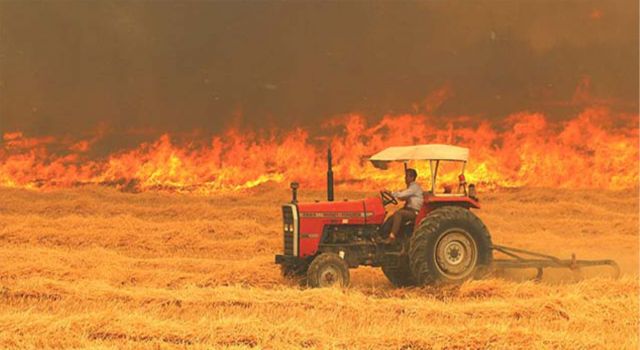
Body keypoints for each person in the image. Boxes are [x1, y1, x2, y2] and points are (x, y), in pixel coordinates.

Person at [379, 168, 424, 243]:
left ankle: (392, 237)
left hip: (414, 212)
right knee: (392, 217)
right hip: (409, 210)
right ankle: (382, 235)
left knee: (398, 214)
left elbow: (401, 195)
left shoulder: (414, 187)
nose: (405, 178)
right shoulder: (410, 188)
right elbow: (403, 197)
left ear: (412, 177)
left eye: (406, 177)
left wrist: (390, 192)